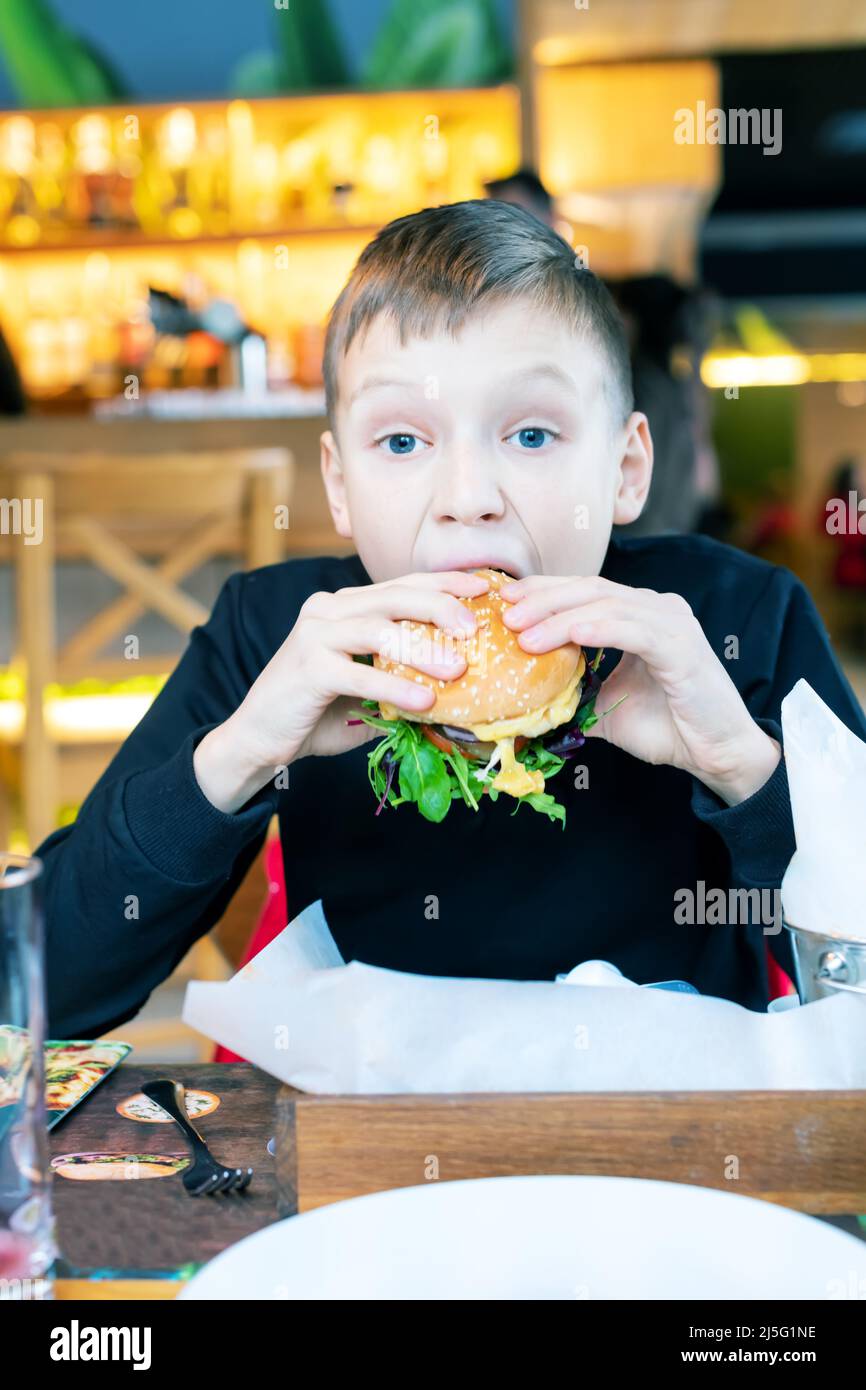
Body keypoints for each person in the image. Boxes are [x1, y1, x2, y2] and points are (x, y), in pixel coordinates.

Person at [38, 200, 866, 1039]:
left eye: (533, 434)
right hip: (364, 1143)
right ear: (338, 486)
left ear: (626, 467)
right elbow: (45, 991)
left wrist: (744, 769)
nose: (468, 500)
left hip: (673, 1142)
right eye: (401, 443)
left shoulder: (733, 618)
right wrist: (241, 755)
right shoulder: (279, 633)